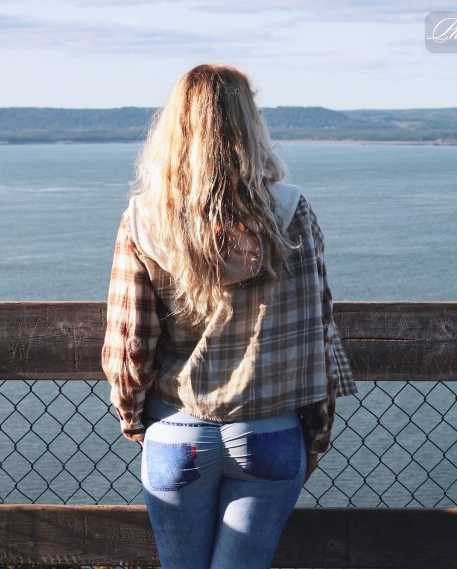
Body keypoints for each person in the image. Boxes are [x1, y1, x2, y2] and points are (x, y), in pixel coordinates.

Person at [102, 63, 356, 569]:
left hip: (177, 430)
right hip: (269, 434)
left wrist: (137, 423)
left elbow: (131, 341)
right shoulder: (291, 209)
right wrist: (316, 435)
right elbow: (317, 334)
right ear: (250, 124)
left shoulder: (144, 218)